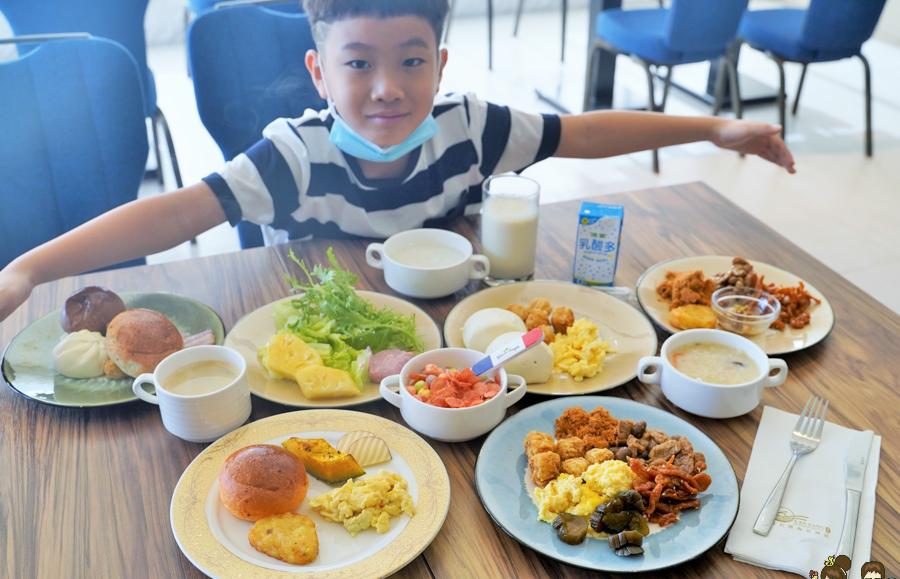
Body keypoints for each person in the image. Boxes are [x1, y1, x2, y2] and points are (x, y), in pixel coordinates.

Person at [0, 0, 795, 324]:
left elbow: (580, 131)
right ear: (319, 72)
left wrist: (714, 129)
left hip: (460, 337)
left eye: (412, 62)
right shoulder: (294, 157)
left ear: (441, 66)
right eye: (357, 65)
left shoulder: (472, 130)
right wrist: (30, 269)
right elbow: (173, 213)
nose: (388, 89)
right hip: (329, 343)